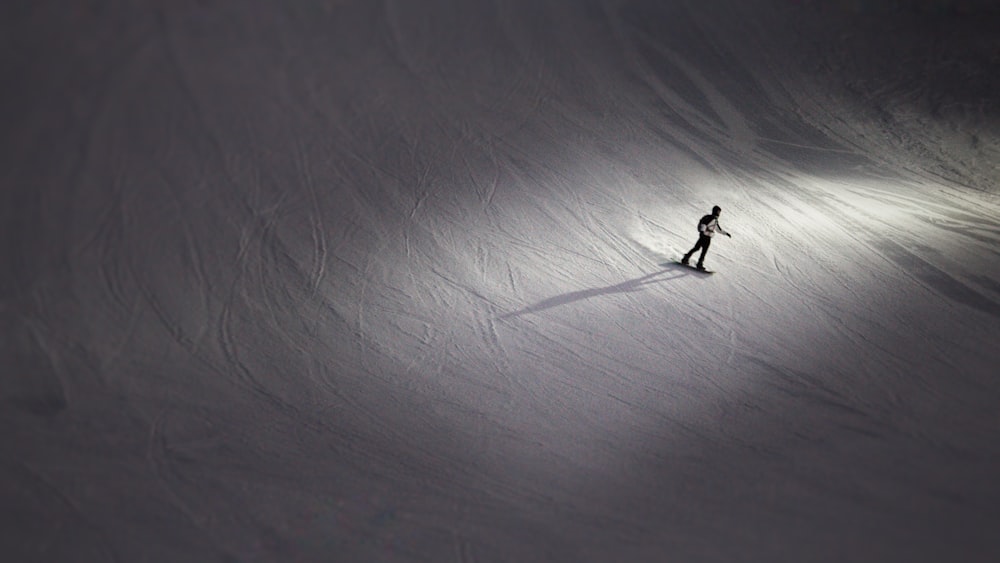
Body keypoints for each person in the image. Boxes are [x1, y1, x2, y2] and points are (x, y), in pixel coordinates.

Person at [682, 205, 731, 270]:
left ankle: (698, 263)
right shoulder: (710, 218)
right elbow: (703, 224)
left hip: (708, 237)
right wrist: (702, 232)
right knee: (697, 248)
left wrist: (726, 233)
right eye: (718, 211)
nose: (719, 213)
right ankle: (687, 259)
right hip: (703, 236)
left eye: (719, 212)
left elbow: (718, 230)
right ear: (715, 211)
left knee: (703, 251)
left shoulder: (715, 220)